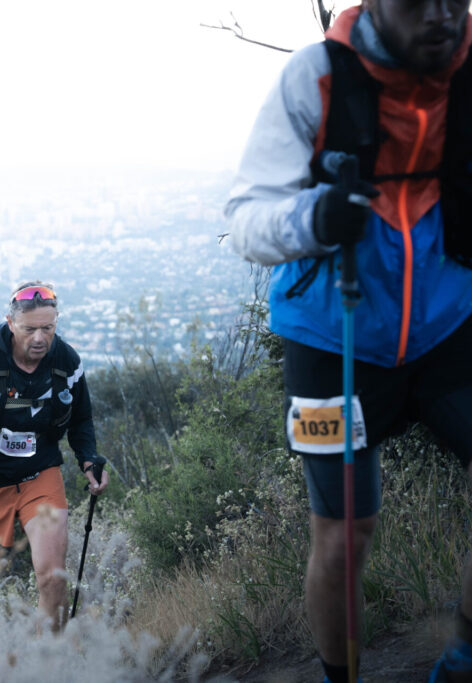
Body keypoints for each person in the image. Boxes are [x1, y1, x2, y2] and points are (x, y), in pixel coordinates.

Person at [225, 2, 472, 681]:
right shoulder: (318, 77)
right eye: (419, 2)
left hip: (449, 325)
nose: (440, 17)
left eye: (453, 0)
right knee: (342, 536)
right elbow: (247, 219)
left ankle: (463, 656)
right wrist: (316, 215)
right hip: (333, 335)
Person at [0, 281, 108, 630]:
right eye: (30, 329)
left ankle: (47, 663)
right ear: (10, 323)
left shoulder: (67, 361)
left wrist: (88, 459)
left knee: (54, 577)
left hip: (39, 474)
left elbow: (82, 419)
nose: (40, 338)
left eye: (48, 328)